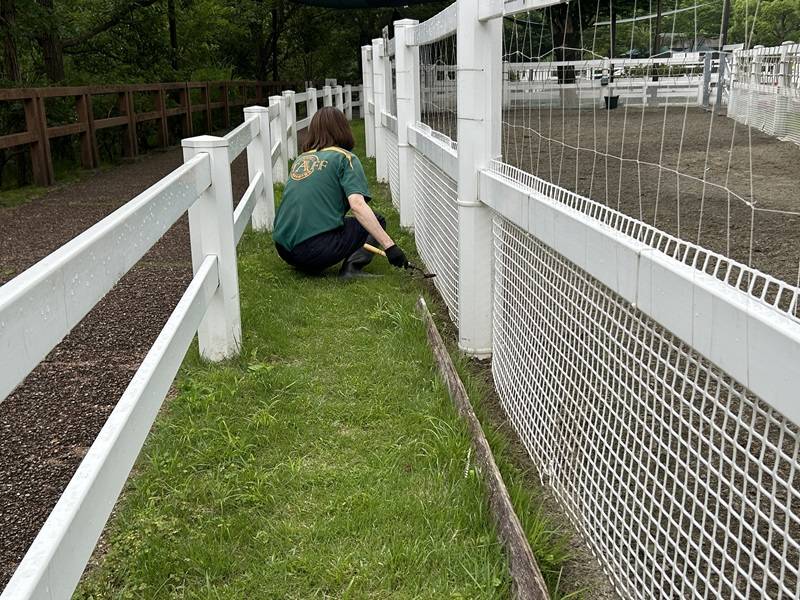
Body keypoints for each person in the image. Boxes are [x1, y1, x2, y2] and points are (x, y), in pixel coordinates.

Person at [272, 106, 408, 278]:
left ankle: (307, 261)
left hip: (284, 249)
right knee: (377, 220)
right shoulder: (345, 158)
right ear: (343, 128)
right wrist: (390, 246)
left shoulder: (301, 159)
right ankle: (352, 269)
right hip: (312, 251)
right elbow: (357, 205)